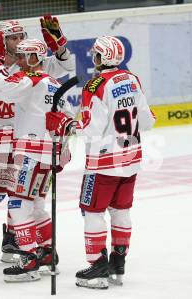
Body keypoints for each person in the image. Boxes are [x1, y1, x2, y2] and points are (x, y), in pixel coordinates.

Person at [0, 16, 75, 266]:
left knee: (22, 193)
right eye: (12, 38)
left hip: (24, 139)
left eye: (21, 36)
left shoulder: (30, 60)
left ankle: (13, 239)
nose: (19, 41)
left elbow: (65, 67)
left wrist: (59, 46)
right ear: (1, 40)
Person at [46, 36, 156, 289]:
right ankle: (118, 261)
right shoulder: (132, 79)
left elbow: (90, 128)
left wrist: (63, 123)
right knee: (121, 210)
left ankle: (97, 266)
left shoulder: (95, 85)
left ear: (101, 57)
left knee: (93, 211)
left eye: (95, 54)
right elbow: (148, 121)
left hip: (103, 162)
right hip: (132, 158)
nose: (92, 58)